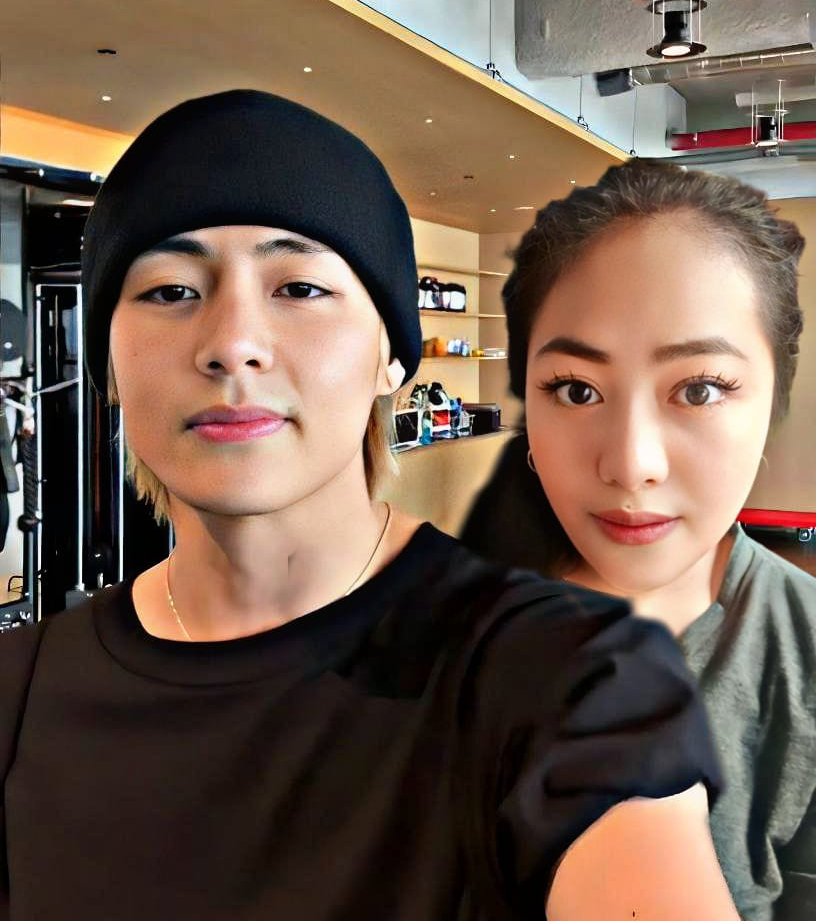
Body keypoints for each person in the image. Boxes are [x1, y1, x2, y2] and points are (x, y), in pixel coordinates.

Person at [0, 95, 739, 921]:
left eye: (299, 287)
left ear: (392, 355)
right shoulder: (19, 695)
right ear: (109, 359)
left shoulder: (569, 680)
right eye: (171, 290)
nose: (232, 343)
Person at [461, 158, 816, 921]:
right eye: (577, 390)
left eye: (699, 389)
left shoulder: (803, 650)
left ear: (773, 402)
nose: (630, 464)